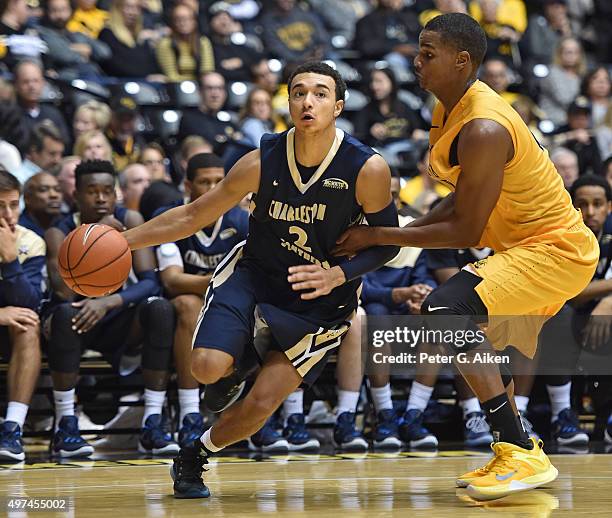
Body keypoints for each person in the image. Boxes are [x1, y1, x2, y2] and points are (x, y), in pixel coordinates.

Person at [334, 13, 598, 501]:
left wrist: (379, 237)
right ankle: (515, 449)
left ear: (462, 61)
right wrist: (403, 233)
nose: (417, 61)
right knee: (463, 328)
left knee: (444, 310)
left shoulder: (482, 126)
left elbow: (466, 228)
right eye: (419, 49)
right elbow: (460, 196)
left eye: (428, 53)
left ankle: (519, 448)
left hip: (555, 249)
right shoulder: (450, 108)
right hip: (526, 247)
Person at [123, 61, 400, 498]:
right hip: (256, 275)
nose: (308, 101)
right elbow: (195, 213)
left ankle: (194, 453)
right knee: (205, 367)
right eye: (298, 92)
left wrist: (338, 274)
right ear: (287, 102)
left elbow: (389, 245)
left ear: (338, 106)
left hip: (321, 301)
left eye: (321, 93)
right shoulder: (261, 159)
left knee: (262, 404)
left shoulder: (367, 169)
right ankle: (241, 361)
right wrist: (124, 240)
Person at [43, 159, 177, 458]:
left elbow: (150, 283)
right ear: (76, 195)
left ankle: (152, 423)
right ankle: (66, 424)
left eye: (107, 190)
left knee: (160, 309)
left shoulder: (130, 218)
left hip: (117, 316)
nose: (101, 198)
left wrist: (108, 302)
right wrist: (96, 236)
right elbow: (62, 292)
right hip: (77, 319)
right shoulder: (58, 231)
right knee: (63, 315)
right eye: (92, 191)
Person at [154, 153, 248, 448]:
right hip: (187, 305)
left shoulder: (241, 219)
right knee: (187, 304)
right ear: (187, 186)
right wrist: (218, 282)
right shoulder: (170, 216)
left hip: (229, 304)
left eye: (219, 181)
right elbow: (172, 280)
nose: (213, 188)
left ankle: (248, 419)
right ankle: (190, 413)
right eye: (204, 182)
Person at [0, 169, 44, 461]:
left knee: (28, 325)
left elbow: (30, 302)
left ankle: (12, 429)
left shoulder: (31, 241)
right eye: (0, 206)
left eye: (13, 205)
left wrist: (10, 260)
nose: (8, 214)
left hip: (10, 334)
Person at [155, 3, 214, 82]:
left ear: (194, 21)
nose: (183, 23)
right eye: (178, 19)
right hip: (176, 86)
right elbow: (171, 76)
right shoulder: (165, 43)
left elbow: (207, 71)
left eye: (187, 19)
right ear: (173, 22)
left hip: (201, 86)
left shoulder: (203, 41)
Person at [19, 172, 62, 237]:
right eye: (43, 190)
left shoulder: (68, 224)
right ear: (27, 198)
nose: (54, 195)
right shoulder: (18, 229)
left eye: (57, 189)